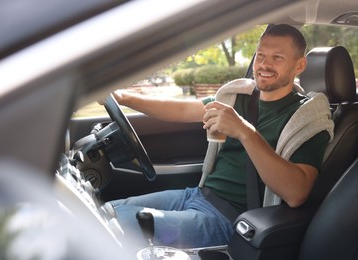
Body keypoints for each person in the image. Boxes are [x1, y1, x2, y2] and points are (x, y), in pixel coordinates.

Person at [107, 24, 333, 249]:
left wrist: (244, 131)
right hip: (197, 195)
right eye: (261, 55)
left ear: (300, 65)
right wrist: (123, 97)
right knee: (109, 212)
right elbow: (182, 110)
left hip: (230, 218)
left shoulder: (306, 119)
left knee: (124, 225)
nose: (264, 64)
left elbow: (296, 193)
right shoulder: (238, 97)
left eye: (277, 57)